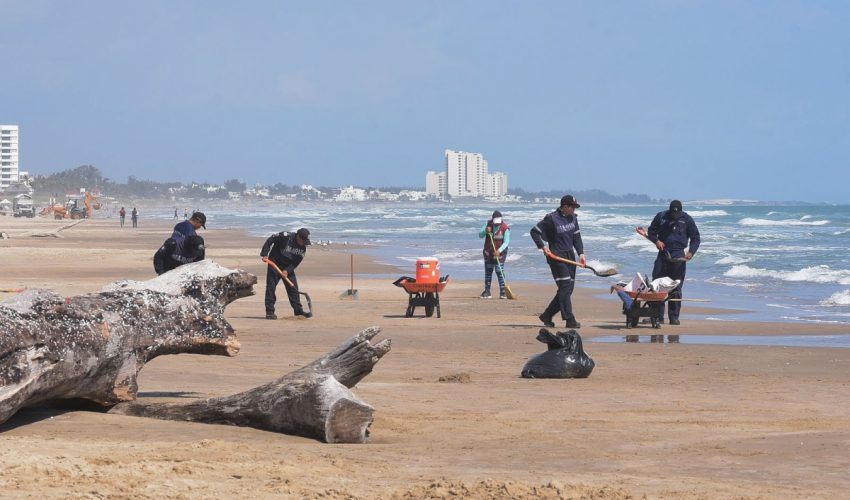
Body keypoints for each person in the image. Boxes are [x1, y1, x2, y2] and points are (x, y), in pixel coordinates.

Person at [640, 200, 700, 325]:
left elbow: (696, 238)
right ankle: (657, 316)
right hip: (663, 253)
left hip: (679, 255)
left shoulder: (687, 219)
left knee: (675, 286)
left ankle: (674, 317)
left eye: (677, 214)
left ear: (681, 211)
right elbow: (651, 232)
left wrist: (691, 252)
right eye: (673, 213)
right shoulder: (661, 216)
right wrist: (656, 241)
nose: (675, 216)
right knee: (657, 285)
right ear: (670, 210)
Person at [530, 195, 587, 329]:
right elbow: (534, 232)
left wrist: (581, 253)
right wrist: (543, 247)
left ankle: (547, 315)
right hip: (556, 256)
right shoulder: (551, 219)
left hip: (569, 256)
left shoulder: (573, 218)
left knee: (567, 289)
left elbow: (576, 237)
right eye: (572, 207)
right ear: (565, 206)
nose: (574, 209)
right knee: (565, 286)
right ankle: (570, 319)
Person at [260, 228, 312, 320]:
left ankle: (298, 311)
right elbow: (270, 240)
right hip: (274, 263)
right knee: (271, 287)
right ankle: (270, 312)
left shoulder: (303, 248)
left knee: (293, 288)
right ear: (298, 237)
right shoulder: (285, 237)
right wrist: (264, 254)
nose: (304, 244)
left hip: (287, 267)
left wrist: (287, 270)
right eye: (303, 241)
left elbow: (296, 262)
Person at [478, 210, 510, 299]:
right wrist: (485, 231)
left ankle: (503, 292)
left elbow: (506, 242)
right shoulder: (487, 224)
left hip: (500, 253)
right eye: (495, 224)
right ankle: (487, 292)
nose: (497, 225)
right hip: (488, 253)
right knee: (488, 272)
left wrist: (499, 251)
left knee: (499, 271)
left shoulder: (505, 228)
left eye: (498, 224)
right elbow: (480, 235)